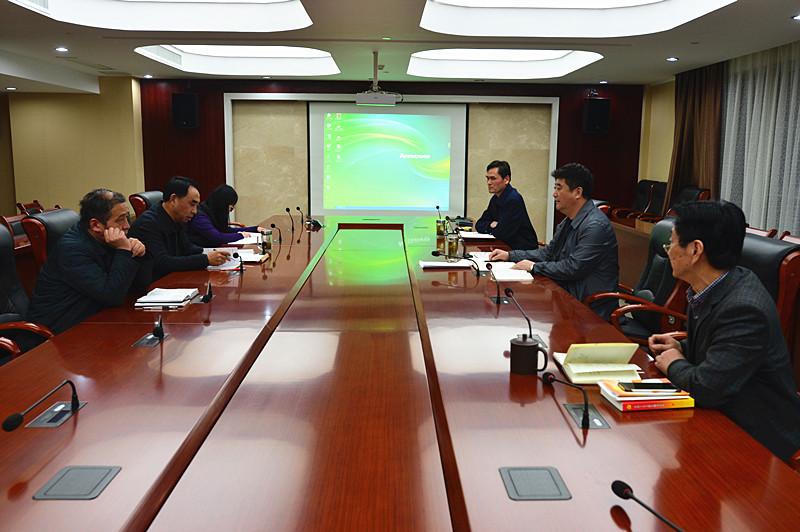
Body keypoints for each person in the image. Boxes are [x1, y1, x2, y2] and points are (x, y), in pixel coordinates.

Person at [649, 201, 800, 464]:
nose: (668, 250)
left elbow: (707, 388)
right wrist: (680, 348)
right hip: (721, 413)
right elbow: (719, 351)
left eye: (671, 243)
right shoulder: (714, 285)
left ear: (695, 250)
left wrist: (673, 363)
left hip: (756, 439)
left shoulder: (744, 309)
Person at [488, 163, 619, 319]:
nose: (554, 194)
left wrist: (534, 266)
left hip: (588, 308)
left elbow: (573, 267)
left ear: (577, 192)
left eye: (559, 188)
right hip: (566, 294)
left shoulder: (595, 226)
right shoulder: (569, 221)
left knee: (523, 310)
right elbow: (549, 253)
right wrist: (510, 255)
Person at [26, 189, 152, 335]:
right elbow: (112, 296)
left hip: (98, 320)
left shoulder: (109, 240)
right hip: (60, 332)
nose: (127, 226)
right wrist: (124, 251)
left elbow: (140, 286)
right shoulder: (72, 250)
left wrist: (140, 254)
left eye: (127, 218)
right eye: (120, 220)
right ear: (96, 225)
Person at [129, 176, 229, 280]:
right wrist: (206, 259)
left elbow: (187, 248)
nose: (195, 211)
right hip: (154, 284)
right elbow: (162, 262)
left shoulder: (177, 218)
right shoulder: (147, 224)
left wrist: (213, 252)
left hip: (173, 279)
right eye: (192, 204)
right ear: (173, 199)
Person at [474, 160, 539, 250]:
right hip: (505, 247)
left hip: (523, 251)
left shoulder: (513, 199)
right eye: (487, 178)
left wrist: (493, 227)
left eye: (493, 178)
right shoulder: (495, 198)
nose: (489, 182)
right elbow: (479, 224)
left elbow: (501, 233)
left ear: (506, 180)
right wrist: (491, 225)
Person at [187, 184, 266, 247]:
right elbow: (217, 237)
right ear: (222, 205)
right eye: (230, 207)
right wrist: (240, 236)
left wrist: (255, 229)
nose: (231, 211)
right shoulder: (200, 217)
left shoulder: (212, 212)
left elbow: (225, 230)